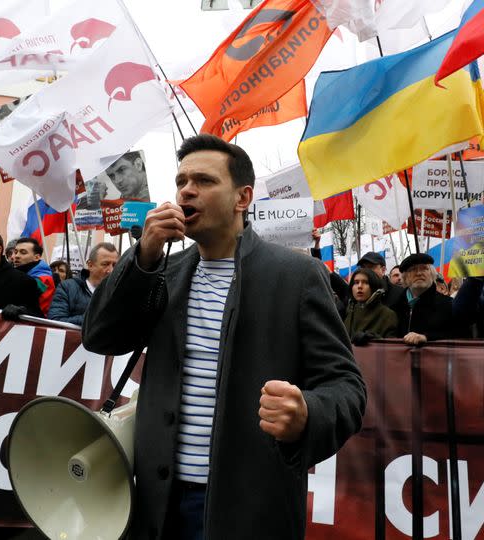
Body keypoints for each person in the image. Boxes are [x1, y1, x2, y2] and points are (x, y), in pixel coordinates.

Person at [82, 134, 365, 539]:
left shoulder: (296, 276)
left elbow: (347, 387)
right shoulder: (163, 271)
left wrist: (308, 413)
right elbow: (100, 336)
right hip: (156, 503)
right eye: (181, 181)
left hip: (248, 504)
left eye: (204, 181)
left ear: (242, 197)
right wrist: (142, 256)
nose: (186, 190)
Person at [392, 253, 458, 345]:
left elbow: (457, 335)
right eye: (413, 269)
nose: (419, 273)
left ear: (432, 274)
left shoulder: (447, 304)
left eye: (424, 268)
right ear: (405, 277)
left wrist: (426, 337)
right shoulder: (395, 306)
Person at [48, 242, 117, 325]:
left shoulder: (119, 291)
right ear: (90, 265)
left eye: (114, 265)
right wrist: (93, 317)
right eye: (105, 264)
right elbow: (55, 320)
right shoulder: (67, 288)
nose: (111, 270)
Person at [344, 268, 398, 342]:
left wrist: (374, 339)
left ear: (374, 287)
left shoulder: (388, 315)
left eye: (365, 282)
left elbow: (392, 347)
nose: (359, 286)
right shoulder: (350, 311)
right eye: (356, 282)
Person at [12, 237, 55, 316]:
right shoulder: (15, 273)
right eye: (15, 252)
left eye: (23, 252)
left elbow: (42, 311)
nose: (16, 256)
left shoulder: (44, 280)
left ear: (36, 257)